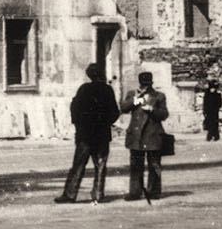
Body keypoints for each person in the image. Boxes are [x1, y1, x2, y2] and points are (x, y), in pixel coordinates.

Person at [56, 62, 122, 204]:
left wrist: (79, 125)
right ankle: (98, 194)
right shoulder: (107, 90)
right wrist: (105, 123)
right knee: (100, 165)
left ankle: (70, 194)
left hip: (85, 134)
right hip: (102, 134)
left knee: (78, 164)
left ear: (89, 75)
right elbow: (115, 112)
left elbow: (74, 108)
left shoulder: (84, 89)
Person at [121, 70, 170, 201]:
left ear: (151, 84)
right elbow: (123, 108)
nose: (144, 88)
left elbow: (164, 115)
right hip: (136, 135)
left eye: (147, 85)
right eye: (143, 85)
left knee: (154, 164)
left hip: (153, 134)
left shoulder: (159, 96)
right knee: (136, 165)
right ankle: (135, 192)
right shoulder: (132, 94)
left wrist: (152, 109)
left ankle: (154, 191)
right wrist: (135, 101)